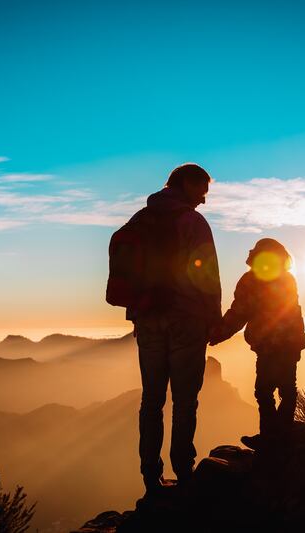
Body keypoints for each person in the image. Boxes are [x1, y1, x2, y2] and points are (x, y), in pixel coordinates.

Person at [127, 163, 222, 495]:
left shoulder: (141, 219)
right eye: (202, 192)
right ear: (187, 184)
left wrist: (137, 313)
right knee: (185, 401)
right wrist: (214, 319)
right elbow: (206, 275)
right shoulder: (192, 222)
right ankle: (184, 471)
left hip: (148, 320)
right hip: (186, 320)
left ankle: (151, 478)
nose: (203, 201)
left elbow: (131, 269)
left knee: (151, 401)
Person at [209, 238, 305, 450]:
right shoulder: (287, 279)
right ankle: (283, 434)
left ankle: (270, 437)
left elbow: (239, 313)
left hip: (269, 345)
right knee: (288, 389)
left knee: (264, 391)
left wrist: (217, 334)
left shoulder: (251, 281)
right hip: (290, 343)